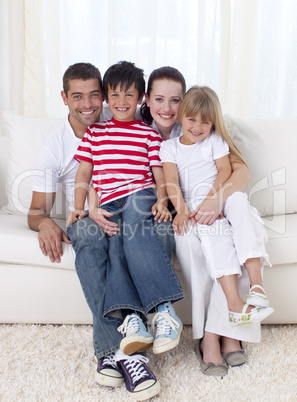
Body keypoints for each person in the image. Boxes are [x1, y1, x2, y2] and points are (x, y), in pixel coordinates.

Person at [28, 62, 164, 401]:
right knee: (88, 235)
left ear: (103, 96)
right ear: (64, 98)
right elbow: (35, 211)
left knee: (126, 231)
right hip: (84, 216)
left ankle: (110, 353)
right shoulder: (55, 147)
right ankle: (125, 353)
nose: (88, 104)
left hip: (127, 208)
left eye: (94, 95)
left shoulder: (120, 119)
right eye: (78, 96)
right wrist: (46, 221)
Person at [142, 69, 263, 377]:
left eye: (173, 101)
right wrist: (182, 210)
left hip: (214, 207)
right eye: (159, 100)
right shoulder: (146, 134)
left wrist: (215, 200)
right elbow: (169, 181)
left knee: (231, 243)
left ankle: (223, 335)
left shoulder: (212, 137)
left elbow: (236, 171)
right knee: (201, 253)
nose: (167, 108)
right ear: (147, 100)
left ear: (181, 103)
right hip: (185, 216)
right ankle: (212, 335)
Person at [67, 60, 184, 361]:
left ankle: (163, 309)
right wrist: (82, 208)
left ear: (141, 98)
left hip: (140, 195)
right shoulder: (95, 133)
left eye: (129, 95)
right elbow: (84, 176)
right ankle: (133, 318)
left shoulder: (148, 135)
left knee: (135, 231)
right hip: (107, 203)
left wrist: (161, 200)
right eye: (115, 95)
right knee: (116, 242)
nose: (121, 102)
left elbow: (159, 175)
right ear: (106, 97)